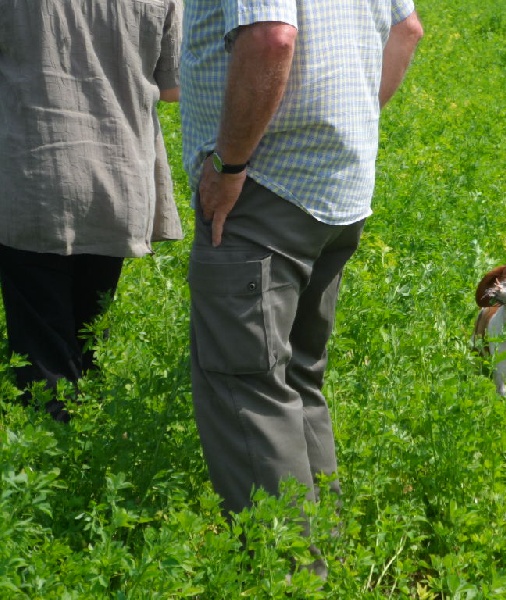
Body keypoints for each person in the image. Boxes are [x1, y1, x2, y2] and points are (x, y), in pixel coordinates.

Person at [181, 0, 422, 554]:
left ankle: (287, 576)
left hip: (264, 187)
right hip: (337, 187)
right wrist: (348, 124)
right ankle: (327, 551)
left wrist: (229, 165)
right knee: (297, 375)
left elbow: (271, 38)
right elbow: (407, 30)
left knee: (249, 385)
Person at [0, 0, 183, 422]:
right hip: (116, 180)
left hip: (34, 176)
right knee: (87, 334)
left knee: (42, 347)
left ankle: (53, 459)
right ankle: (87, 444)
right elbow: (172, 87)